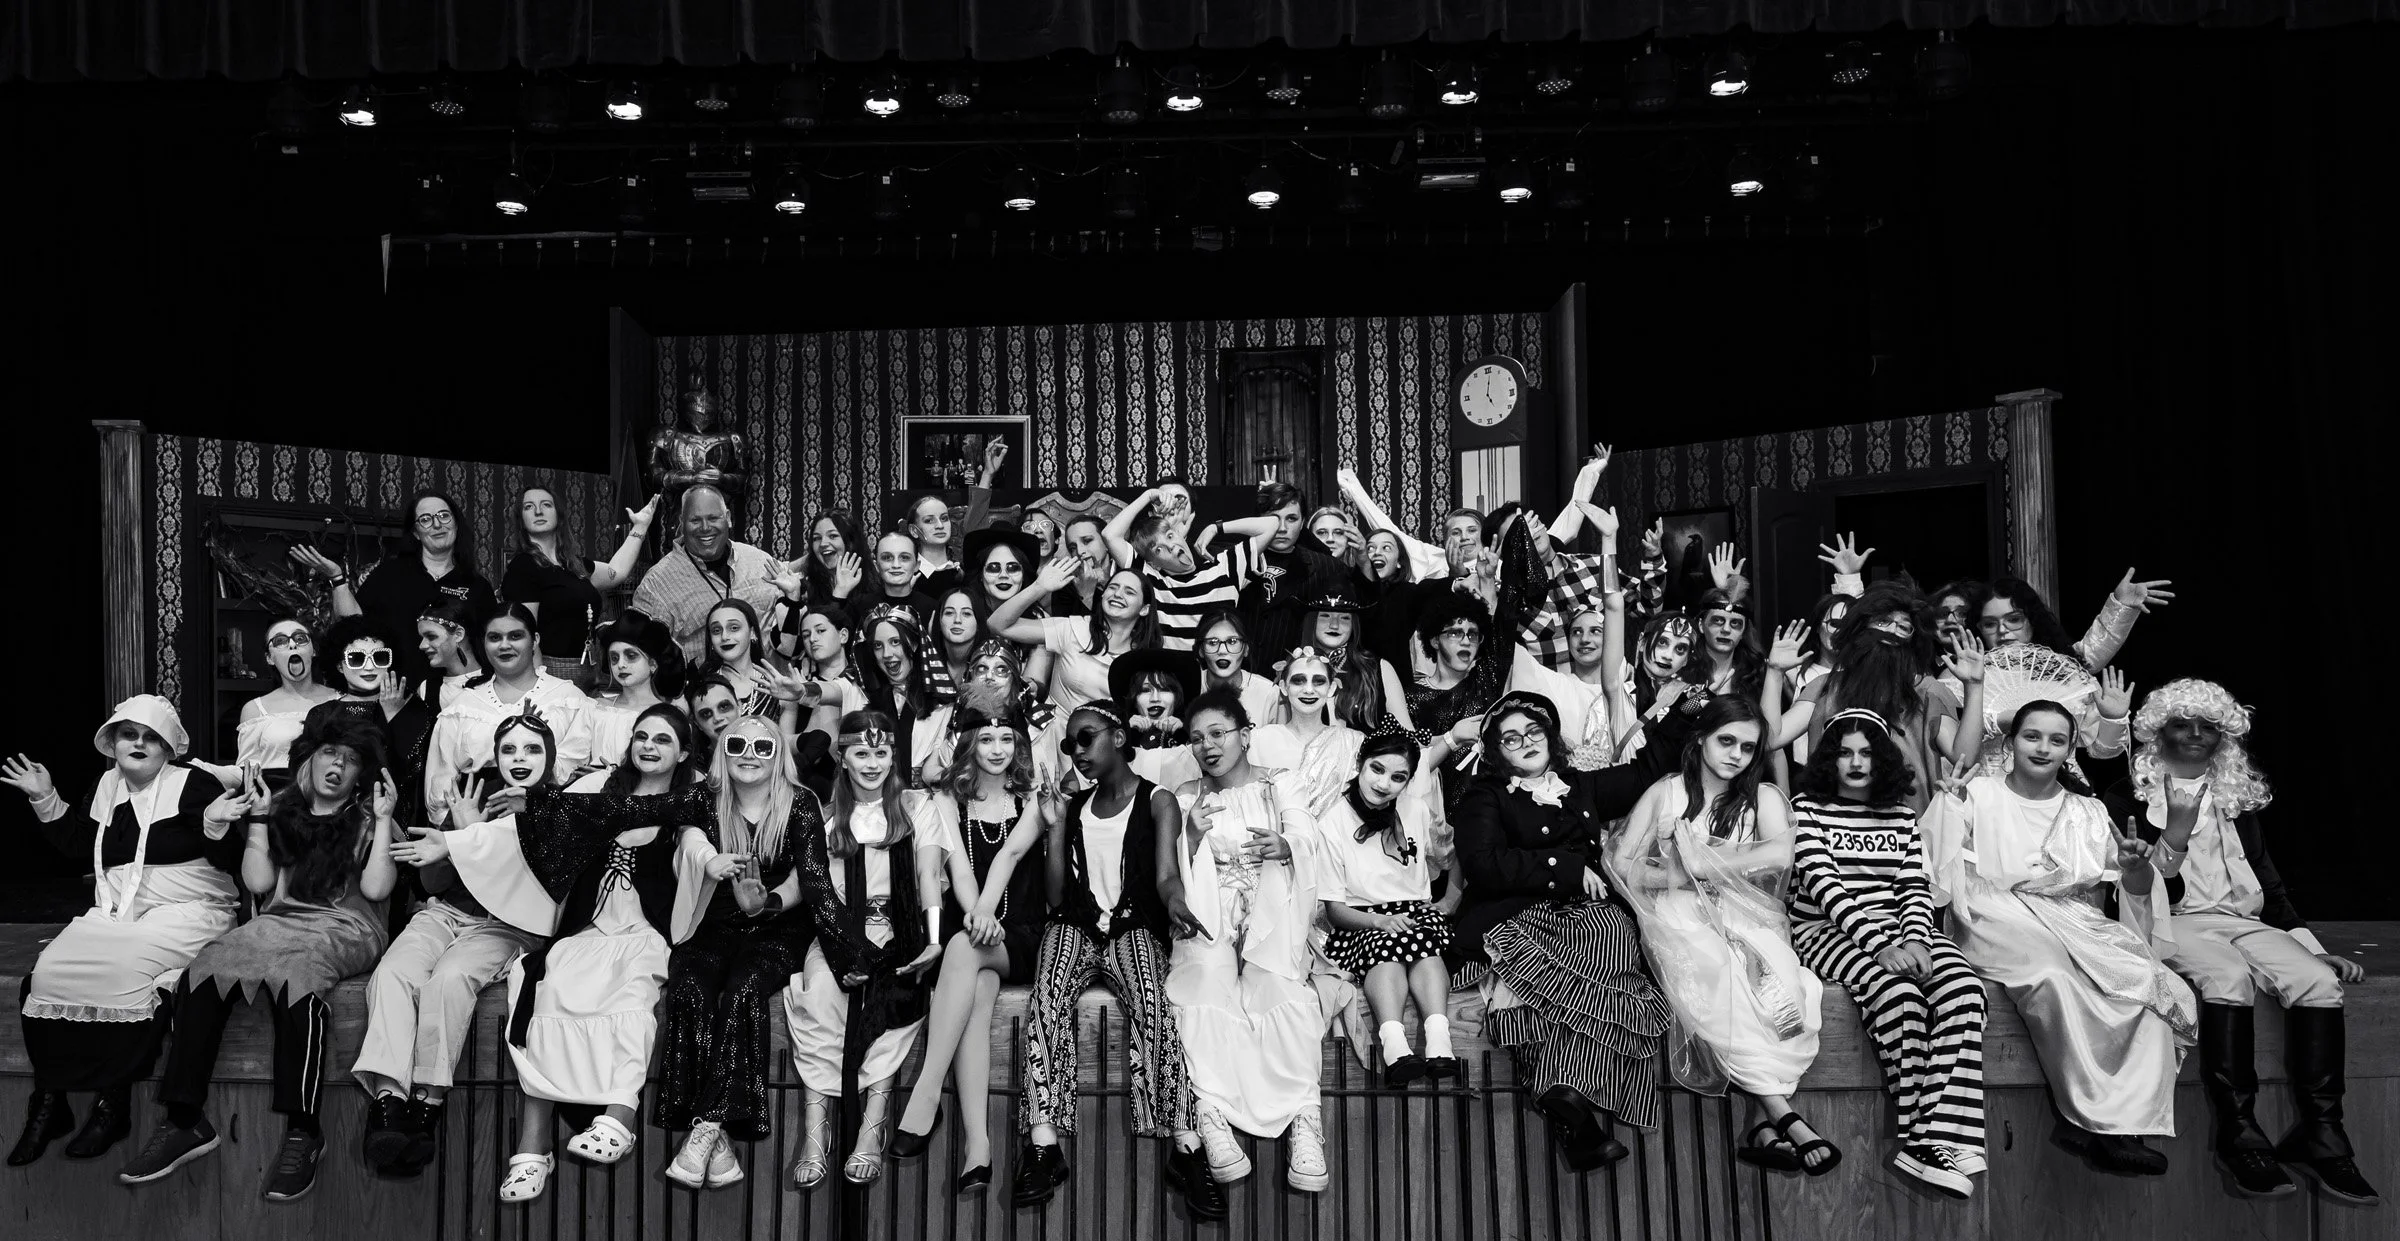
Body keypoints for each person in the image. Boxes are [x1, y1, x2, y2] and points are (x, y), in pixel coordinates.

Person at [400, 703, 715, 1202]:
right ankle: (532, 1150)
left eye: (662, 739)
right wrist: (461, 840)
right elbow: (537, 824)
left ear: (682, 753)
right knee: (547, 994)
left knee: (634, 1000)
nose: (649, 746)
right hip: (586, 930)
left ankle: (619, 1118)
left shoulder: (693, 803)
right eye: (641, 736)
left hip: (644, 933)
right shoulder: (598, 789)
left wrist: (712, 862)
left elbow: (696, 845)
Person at [2100, 680, 2377, 1204]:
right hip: (2169, 921)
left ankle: (2323, 1133)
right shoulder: (2126, 797)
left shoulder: (2234, 798)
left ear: (2224, 739)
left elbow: (2268, 884)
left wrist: (2311, 948)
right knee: (2226, 976)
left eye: (2208, 727)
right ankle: (2240, 1133)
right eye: (2182, 724)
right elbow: (2145, 888)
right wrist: (2175, 831)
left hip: (2242, 922)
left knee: (2317, 982)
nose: (2195, 736)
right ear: (2159, 733)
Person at [119, 714, 398, 1202]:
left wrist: (387, 820)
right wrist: (259, 823)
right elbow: (259, 885)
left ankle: (304, 1130)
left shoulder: (367, 817)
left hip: (348, 924)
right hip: (280, 922)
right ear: (310, 758)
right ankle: (185, 1120)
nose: (338, 766)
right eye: (331, 752)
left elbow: (375, 889)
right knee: (204, 967)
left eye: (352, 760)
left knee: (297, 974)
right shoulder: (283, 807)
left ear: (361, 774)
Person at [1924, 701, 2197, 1177]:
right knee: (2052, 973)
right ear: (2010, 745)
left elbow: (2133, 888)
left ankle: (2120, 1123)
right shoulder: (1977, 793)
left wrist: (2134, 869)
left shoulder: (2088, 810)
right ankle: (2090, 1117)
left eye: (2056, 739)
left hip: (2070, 916)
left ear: (2071, 749)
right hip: (1994, 910)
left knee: (2149, 983)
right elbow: (1934, 863)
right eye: (2032, 736)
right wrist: (1947, 805)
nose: (2043, 747)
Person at [4, 698, 245, 1166]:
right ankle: (49, 1100)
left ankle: (114, 1102)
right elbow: (87, 845)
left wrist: (216, 827)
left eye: (151, 736)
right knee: (50, 970)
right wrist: (44, 797)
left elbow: (234, 860)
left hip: (189, 910)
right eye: (129, 734)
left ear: (169, 746)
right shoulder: (108, 784)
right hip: (118, 911)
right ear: (112, 742)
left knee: (122, 968)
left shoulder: (193, 784)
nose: (139, 743)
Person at [1449, 691, 1674, 1171]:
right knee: (1585, 950)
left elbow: (1647, 769)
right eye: (1511, 739)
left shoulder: (1581, 787)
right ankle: (1567, 1102)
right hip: (1520, 915)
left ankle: (1564, 1101)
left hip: (1590, 913)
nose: (1525, 742)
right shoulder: (1483, 797)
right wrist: (1565, 867)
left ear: (1550, 737)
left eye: (1534, 732)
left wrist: (1687, 708)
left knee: (1611, 933)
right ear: (1496, 751)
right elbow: (1484, 865)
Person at [1611, 696, 1833, 1176]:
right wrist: (1682, 875)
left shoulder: (1766, 797)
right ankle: (1783, 1116)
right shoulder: (1665, 792)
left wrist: (1708, 862)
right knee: (1718, 976)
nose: (1736, 754)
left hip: (1748, 914)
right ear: (1700, 740)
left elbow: (1778, 859)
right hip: (1678, 916)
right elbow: (1621, 865)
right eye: (1726, 740)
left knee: (1785, 991)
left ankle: (1765, 1125)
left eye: (1748, 747)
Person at [1012, 701, 1215, 1219]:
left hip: (1135, 925)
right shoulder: (1074, 807)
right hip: (1077, 924)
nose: (1077, 751)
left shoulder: (1158, 800)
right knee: (1047, 996)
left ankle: (1186, 1146)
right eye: (1069, 744)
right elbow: (1057, 897)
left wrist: (1176, 905)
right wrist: (1055, 825)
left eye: (1086, 738)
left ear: (1119, 736)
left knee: (1151, 1000)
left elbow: (1167, 873)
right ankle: (1043, 1143)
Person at [1787, 709, 1987, 1197]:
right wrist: (1881, 948)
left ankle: (1927, 1139)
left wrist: (1917, 938)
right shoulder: (1807, 808)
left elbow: (1912, 884)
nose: (1856, 762)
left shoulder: (1900, 814)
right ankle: (1931, 1140)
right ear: (1830, 759)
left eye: (1867, 753)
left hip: (1901, 928)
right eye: (1845, 752)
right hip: (1824, 930)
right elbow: (1825, 887)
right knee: (1899, 995)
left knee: (1965, 989)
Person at [351, 714, 554, 1177]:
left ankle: (428, 1103)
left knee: (449, 979)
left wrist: (470, 838)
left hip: (508, 924)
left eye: (532, 750)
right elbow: (431, 878)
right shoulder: (470, 795)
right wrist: (461, 831)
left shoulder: (561, 808)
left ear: (550, 756)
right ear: (495, 756)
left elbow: (541, 885)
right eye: (509, 750)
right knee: (394, 973)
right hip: (444, 912)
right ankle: (388, 1104)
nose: (519, 760)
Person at [1166, 689, 1330, 1194]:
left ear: (1245, 734)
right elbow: (1170, 869)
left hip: (1272, 915)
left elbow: (1306, 838)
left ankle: (1305, 1118)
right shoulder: (1183, 797)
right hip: (1210, 919)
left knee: (1280, 990)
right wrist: (1189, 838)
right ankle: (1211, 1113)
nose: (1208, 746)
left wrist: (1286, 845)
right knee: (1203, 981)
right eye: (1196, 739)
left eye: (1218, 733)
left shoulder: (1280, 785)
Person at [890, 687, 1047, 1192]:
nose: (997, 748)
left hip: (1019, 936)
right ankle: (978, 1149)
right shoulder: (944, 800)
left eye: (1007, 738)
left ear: (1019, 744)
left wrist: (983, 916)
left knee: (962, 945)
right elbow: (957, 866)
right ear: (969, 745)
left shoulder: (1033, 799)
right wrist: (977, 916)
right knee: (976, 993)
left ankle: (926, 1092)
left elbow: (1010, 857)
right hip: (975, 938)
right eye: (986, 739)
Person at [654, 715, 816, 1189]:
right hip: (712, 922)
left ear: (778, 756)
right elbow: (677, 832)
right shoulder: (703, 799)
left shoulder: (800, 803)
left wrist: (765, 903)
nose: (749, 753)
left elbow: (807, 880)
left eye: (762, 747)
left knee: (744, 988)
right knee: (688, 991)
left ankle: (704, 1127)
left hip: (778, 924)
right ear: (722, 751)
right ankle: (716, 1133)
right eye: (738, 743)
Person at [783, 711, 942, 1188]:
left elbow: (928, 877)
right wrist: (766, 901)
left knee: (898, 993)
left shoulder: (918, 806)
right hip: (836, 936)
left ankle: (873, 1125)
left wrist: (932, 942)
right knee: (820, 995)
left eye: (881, 752)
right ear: (843, 757)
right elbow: (806, 888)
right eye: (861, 752)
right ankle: (816, 1132)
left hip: (899, 933)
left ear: (893, 756)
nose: (872, 762)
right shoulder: (824, 815)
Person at [1316, 731, 1463, 1084]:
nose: (1384, 783)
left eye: (1398, 777)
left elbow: (1452, 856)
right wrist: (1381, 922)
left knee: (1422, 944)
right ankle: (1395, 1045)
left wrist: (1450, 900)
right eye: (1376, 770)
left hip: (1417, 915)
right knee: (1388, 947)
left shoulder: (1415, 810)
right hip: (1361, 921)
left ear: (1408, 781)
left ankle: (1439, 1042)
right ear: (1360, 765)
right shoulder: (1332, 822)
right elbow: (1335, 911)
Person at [1763, 584, 1985, 812]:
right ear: (1860, 629)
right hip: (1833, 826)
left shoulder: (1927, 690)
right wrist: (1775, 672)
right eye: (1882, 622)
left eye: (1903, 627)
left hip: (1907, 827)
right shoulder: (1825, 688)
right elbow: (1771, 738)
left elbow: (1964, 759)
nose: (1891, 632)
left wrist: (1975, 686)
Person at [293, 489, 497, 684]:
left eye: (444, 516)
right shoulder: (389, 574)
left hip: (459, 694)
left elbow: (490, 646)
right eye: (425, 520)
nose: (437, 525)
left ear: (456, 524)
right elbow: (353, 625)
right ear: (416, 533)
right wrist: (337, 578)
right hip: (395, 695)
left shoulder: (477, 585)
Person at [423, 604, 594, 824]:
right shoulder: (462, 707)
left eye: (515, 636)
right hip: (477, 822)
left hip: (551, 820)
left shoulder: (568, 699)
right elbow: (441, 778)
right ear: (483, 643)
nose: (504, 645)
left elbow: (580, 771)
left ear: (535, 640)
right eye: (494, 638)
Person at [503, 486, 659, 682]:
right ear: (521, 520)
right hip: (549, 672)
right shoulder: (523, 567)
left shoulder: (574, 565)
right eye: (528, 506)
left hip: (587, 669)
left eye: (546, 505)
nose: (538, 511)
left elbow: (616, 572)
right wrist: (539, 686)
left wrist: (640, 527)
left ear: (558, 515)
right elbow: (525, 635)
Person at [629, 483, 788, 665]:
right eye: (695, 520)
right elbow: (644, 660)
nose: (705, 528)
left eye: (713, 518)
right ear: (682, 522)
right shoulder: (656, 585)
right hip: (701, 691)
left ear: (727, 517)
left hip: (769, 690)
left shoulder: (759, 561)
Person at [1104, 486, 1277, 651]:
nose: (1170, 546)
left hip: (1219, 672)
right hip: (1174, 677)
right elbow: (1110, 535)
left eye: (1170, 536)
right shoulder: (1154, 581)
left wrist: (1215, 528)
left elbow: (1271, 525)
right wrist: (1148, 495)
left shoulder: (1225, 567)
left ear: (1180, 535)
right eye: (1158, 549)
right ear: (1154, 563)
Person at [990, 557, 1162, 715]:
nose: (1118, 594)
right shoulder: (1072, 628)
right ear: (1102, 594)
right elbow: (999, 625)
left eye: (1129, 592)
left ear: (1144, 609)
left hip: (1108, 745)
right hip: (1054, 739)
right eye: (1113, 587)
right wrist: (1039, 587)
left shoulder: (1145, 659)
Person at [1237, 480, 1350, 669]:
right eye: (1273, 518)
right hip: (1238, 676)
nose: (1282, 528)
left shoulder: (1325, 566)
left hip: (1295, 680)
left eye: (1291, 518)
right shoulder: (1236, 559)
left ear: (1303, 522)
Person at [855, 605, 957, 785]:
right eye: (878, 646)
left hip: (929, 803)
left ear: (915, 643)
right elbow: (831, 690)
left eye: (895, 642)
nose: (887, 654)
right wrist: (804, 691)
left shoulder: (944, 704)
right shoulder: (863, 697)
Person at [236, 618, 339, 782]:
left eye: (300, 638)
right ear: (270, 658)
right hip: (277, 800)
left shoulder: (341, 699)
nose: (292, 645)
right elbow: (246, 774)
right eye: (280, 641)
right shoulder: (255, 709)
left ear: (313, 650)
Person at [586, 610, 687, 770]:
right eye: (614, 658)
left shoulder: (670, 714)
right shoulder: (597, 707)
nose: (621, 665)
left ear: (653, 665)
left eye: (631, 656)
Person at [961, 526, 1056, 688]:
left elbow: (1035, 680)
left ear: (1023, 575)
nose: (1003, 575)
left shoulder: (1040, 619)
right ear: (981, 577)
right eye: (993, 568)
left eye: (1013, 568)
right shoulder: (962, 612)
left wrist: (1029, 688)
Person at [1295, 591, 1395, 732]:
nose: (1334, 625)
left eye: (1344, 618)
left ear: (1354, 625)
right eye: (1325, 616)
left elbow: (1407, 736)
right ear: (1312, 621)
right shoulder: (1292, 668)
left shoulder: (1377, 669)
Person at [1110, 647, 1204, 792]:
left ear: (1177, 697)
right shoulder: (1120, 735)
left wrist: (1187, 731)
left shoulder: (1193, 733)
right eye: (1145, 690)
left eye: (1165, 689)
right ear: (1134, 699)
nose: (1155, 698)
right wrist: (1125, 733)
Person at [694, 597, 790, 718]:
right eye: (716, 630)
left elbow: (787, 737)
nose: (724, 636)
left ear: (752, 632)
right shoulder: (701, 688)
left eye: (734, 628)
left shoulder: (778, 685)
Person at [1190, 609, 1284, 724]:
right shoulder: (1189, 687)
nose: (1222, 651)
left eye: (1232, 641)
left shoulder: (1269, 693)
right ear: (1201, 650)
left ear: (1246, 649)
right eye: (1213, 642)